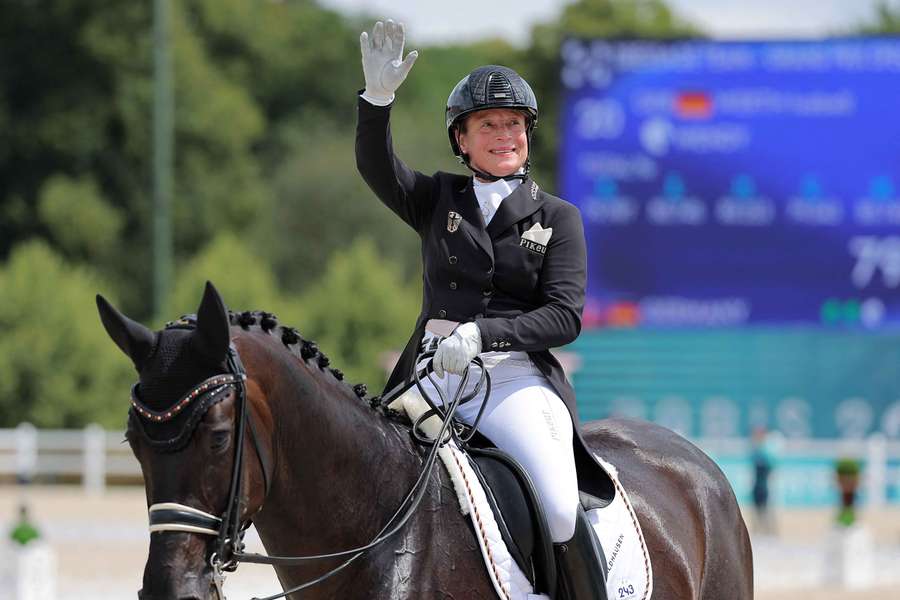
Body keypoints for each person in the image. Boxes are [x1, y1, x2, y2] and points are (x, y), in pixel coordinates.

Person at [356, 20, 606, 599]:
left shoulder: (558, 217)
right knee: (356, 473)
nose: (504, 134)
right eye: (487, 124)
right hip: (434, 375)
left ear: (528, 135)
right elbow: (376, 167)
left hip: (515, 378)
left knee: (561, 506)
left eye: (514, 124)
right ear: (461, 140)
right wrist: (377, 101)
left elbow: (565, 317)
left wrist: (485, 334)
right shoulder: (436, 197)